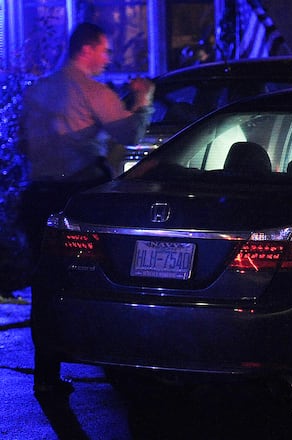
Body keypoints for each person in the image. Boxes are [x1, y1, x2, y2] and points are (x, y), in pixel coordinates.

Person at [19, 22, 155, 396]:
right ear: (87, 49)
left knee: (45, 288)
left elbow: (22, 143)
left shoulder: (39, 90)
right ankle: (115, 369)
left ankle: (46, 374)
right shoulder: (91, 89)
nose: (107, 58)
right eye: (105, 51)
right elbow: (130, 135)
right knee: (100, 279)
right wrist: (142, 100)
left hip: (39, 195)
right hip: (78, 194)